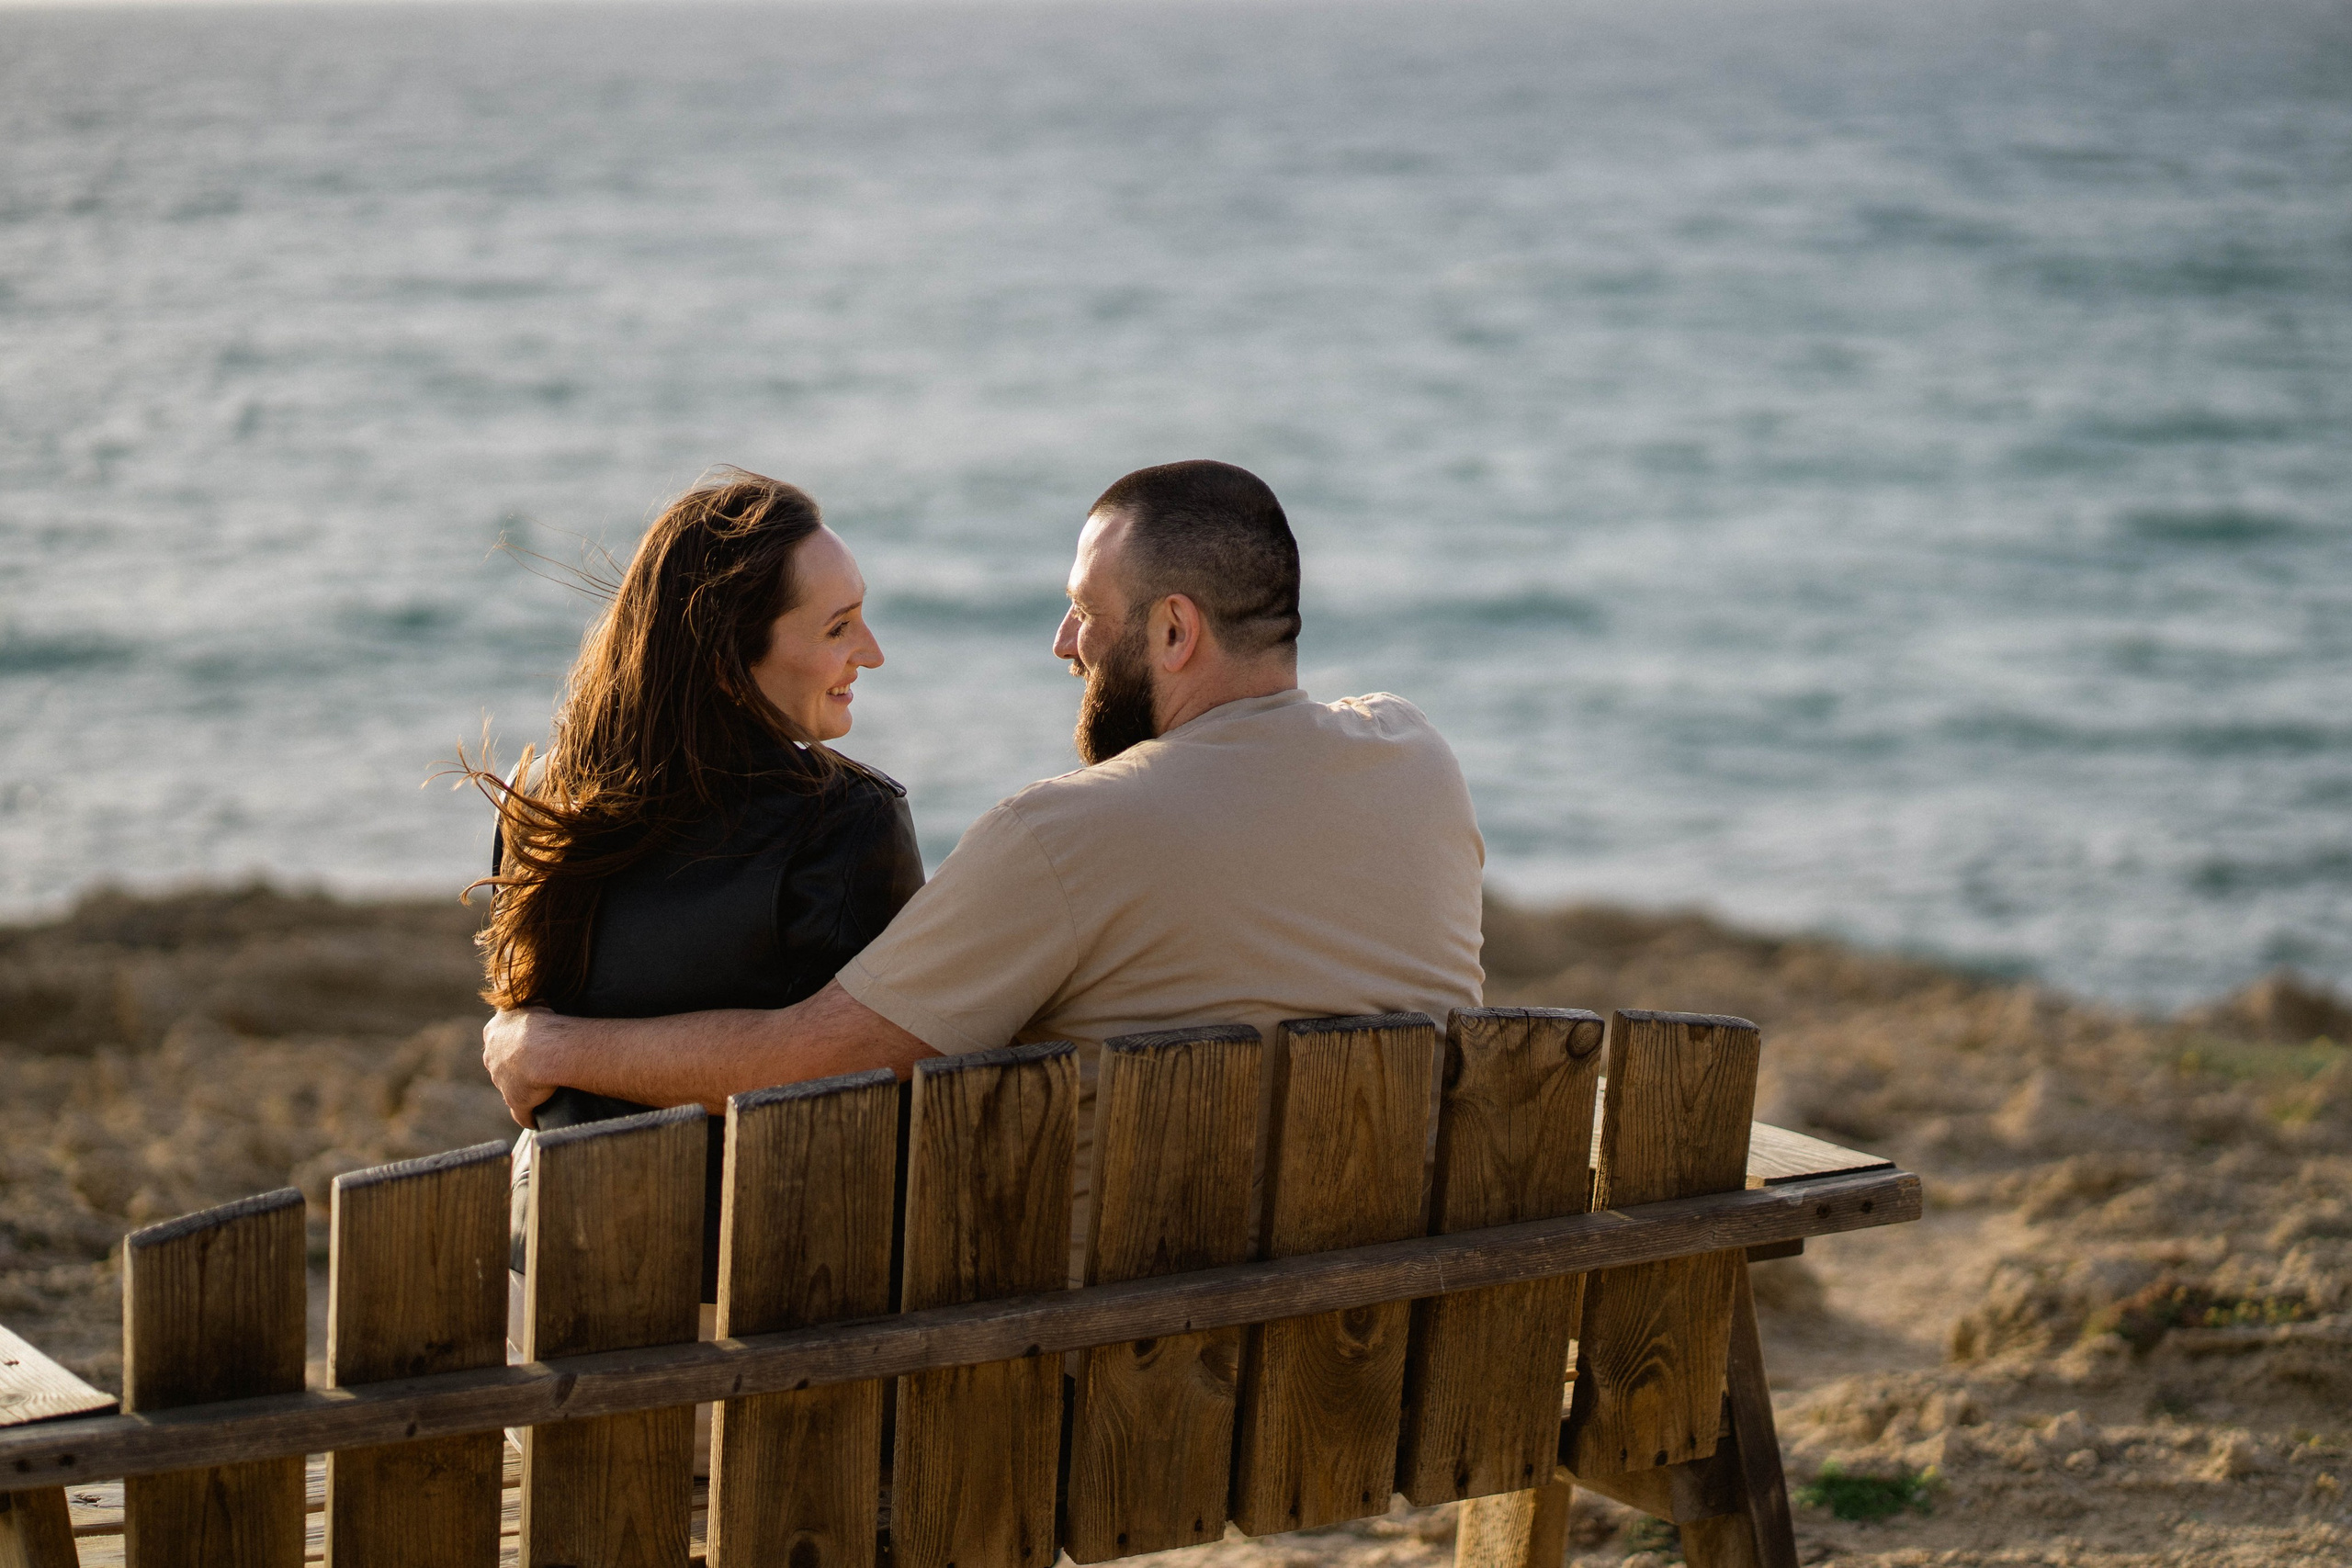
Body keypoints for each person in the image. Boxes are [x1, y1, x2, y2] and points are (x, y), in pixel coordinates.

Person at [482, 458, 1486, 1273]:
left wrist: (553, 1049)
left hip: (1131, 1389)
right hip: (1402, 1347)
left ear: (1174, 630)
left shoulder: (1064, 836)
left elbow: (819, 1063)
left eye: (1085, 613)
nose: (1063, 645)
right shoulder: (1418, 756)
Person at [469, 468, 923, 1301]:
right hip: (775, 1295)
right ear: (727, 658)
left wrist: (545, 1045)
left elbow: (529, 1071)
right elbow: (867, 1077)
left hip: (558, 1281)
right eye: (838, 628)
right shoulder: (847, 827)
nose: (872, 652)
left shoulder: (542, 809)